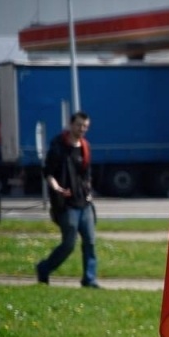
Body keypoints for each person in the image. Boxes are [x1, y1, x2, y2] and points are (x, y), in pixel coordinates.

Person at [36, 112, 100, 288]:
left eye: (85, 126)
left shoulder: (85, 147)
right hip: (66, 204)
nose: (82, 129)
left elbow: (87, 173)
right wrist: (56, 187)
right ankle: (44, 268)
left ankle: (89, 278)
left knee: (90, 241)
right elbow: (48, 172)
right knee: (69, 244)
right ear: (71, 125)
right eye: (79, 125)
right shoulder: (58, 146)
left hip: (84, 203)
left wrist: (89, 190)